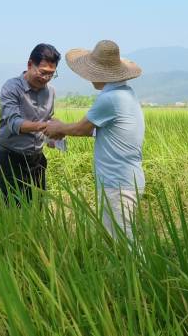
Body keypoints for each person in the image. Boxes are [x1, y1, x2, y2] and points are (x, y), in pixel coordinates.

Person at [44, 40, 144, 241]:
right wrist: (63, 127)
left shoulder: (111, 98)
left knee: (122, 242)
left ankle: (138, 272)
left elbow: (82, 129)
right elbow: (98, 131)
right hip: (125, 179)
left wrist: (57, 128)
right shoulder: (125, 94)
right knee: (119, 238)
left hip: (117, 183)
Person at [0, 43, 62, 207]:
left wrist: (53, 137)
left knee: (37, 209)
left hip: (36, 159)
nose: (46, 78)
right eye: (43, 72)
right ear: (30, 64)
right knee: (13, 209)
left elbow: (49, 118)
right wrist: (44, 126)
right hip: (11, 159)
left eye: (51, 74)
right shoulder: (12, 87)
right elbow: (14, 123)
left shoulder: (51, 91)